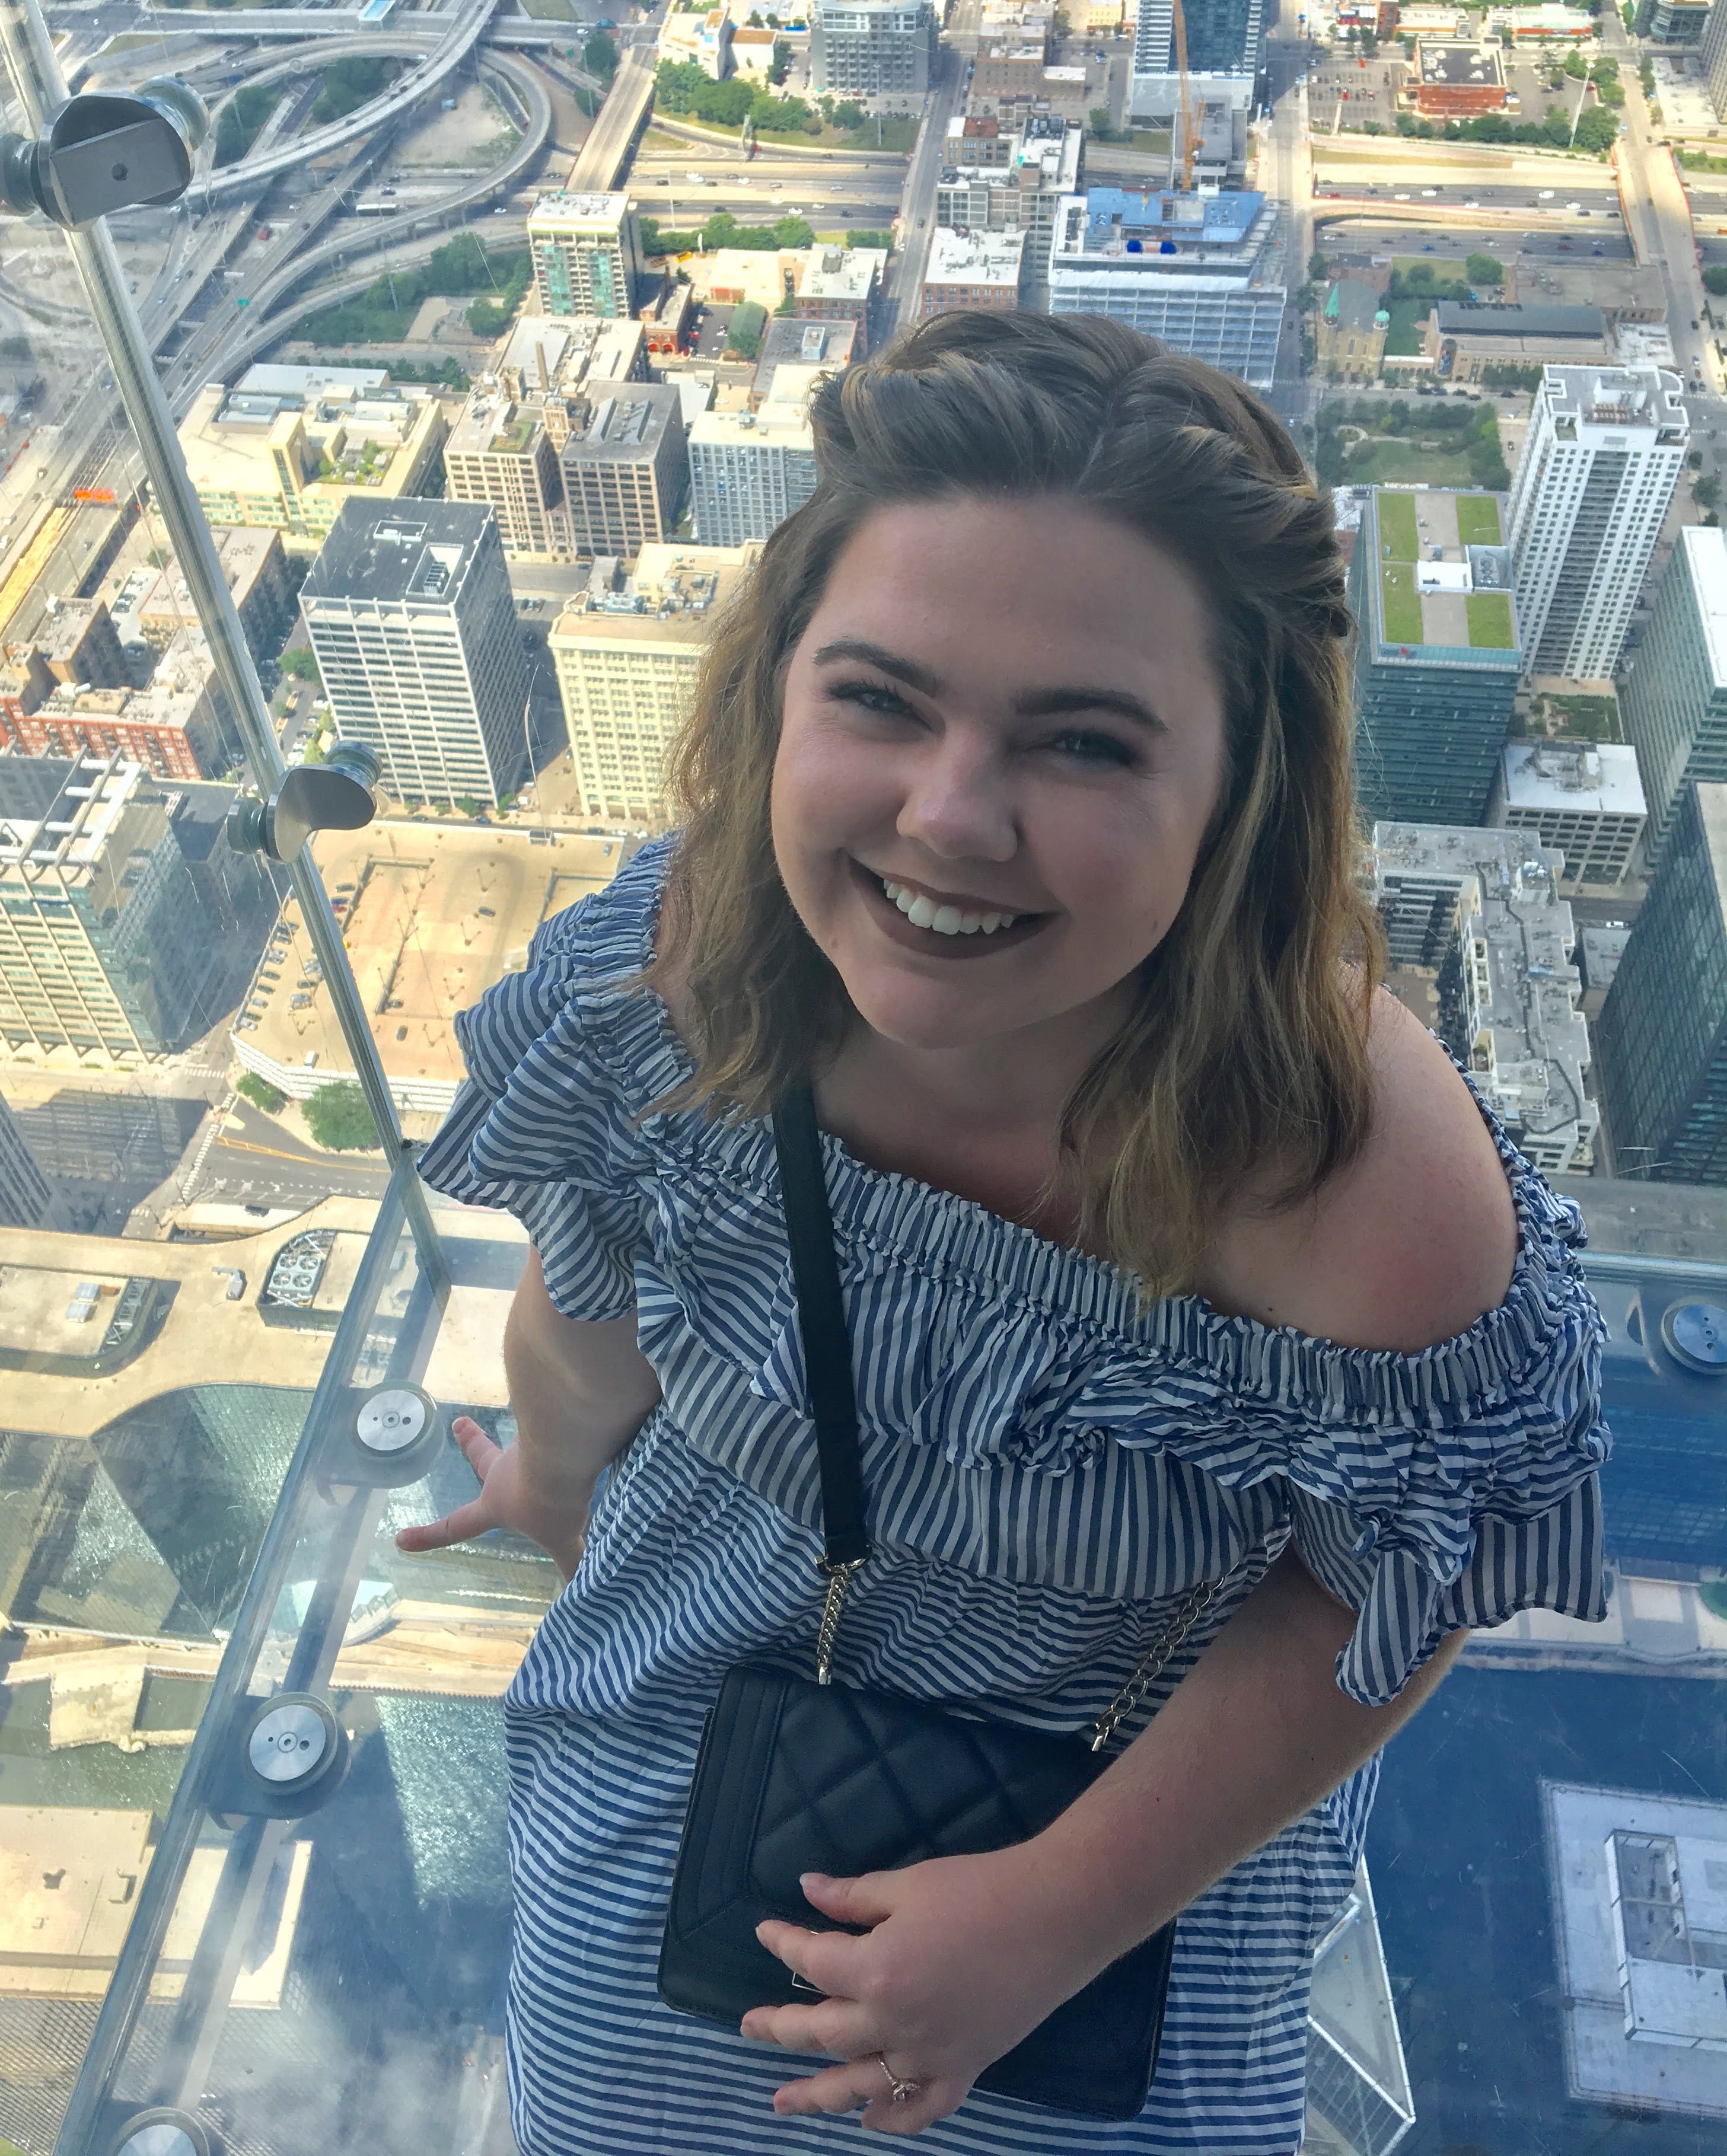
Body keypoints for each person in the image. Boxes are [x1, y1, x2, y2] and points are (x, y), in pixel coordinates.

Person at [401, 313, 1609, 2152]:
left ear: (1239, 797)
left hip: (1133, 1796)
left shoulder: (1339, 1166)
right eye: (879, 699)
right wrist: (560, 1488)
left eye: (1084, 744)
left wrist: (1061, 1913)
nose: (951, 818)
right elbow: (591, 1314)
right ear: (776, 692)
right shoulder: (679, 982)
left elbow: (1378, 1590)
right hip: (707, 1678)